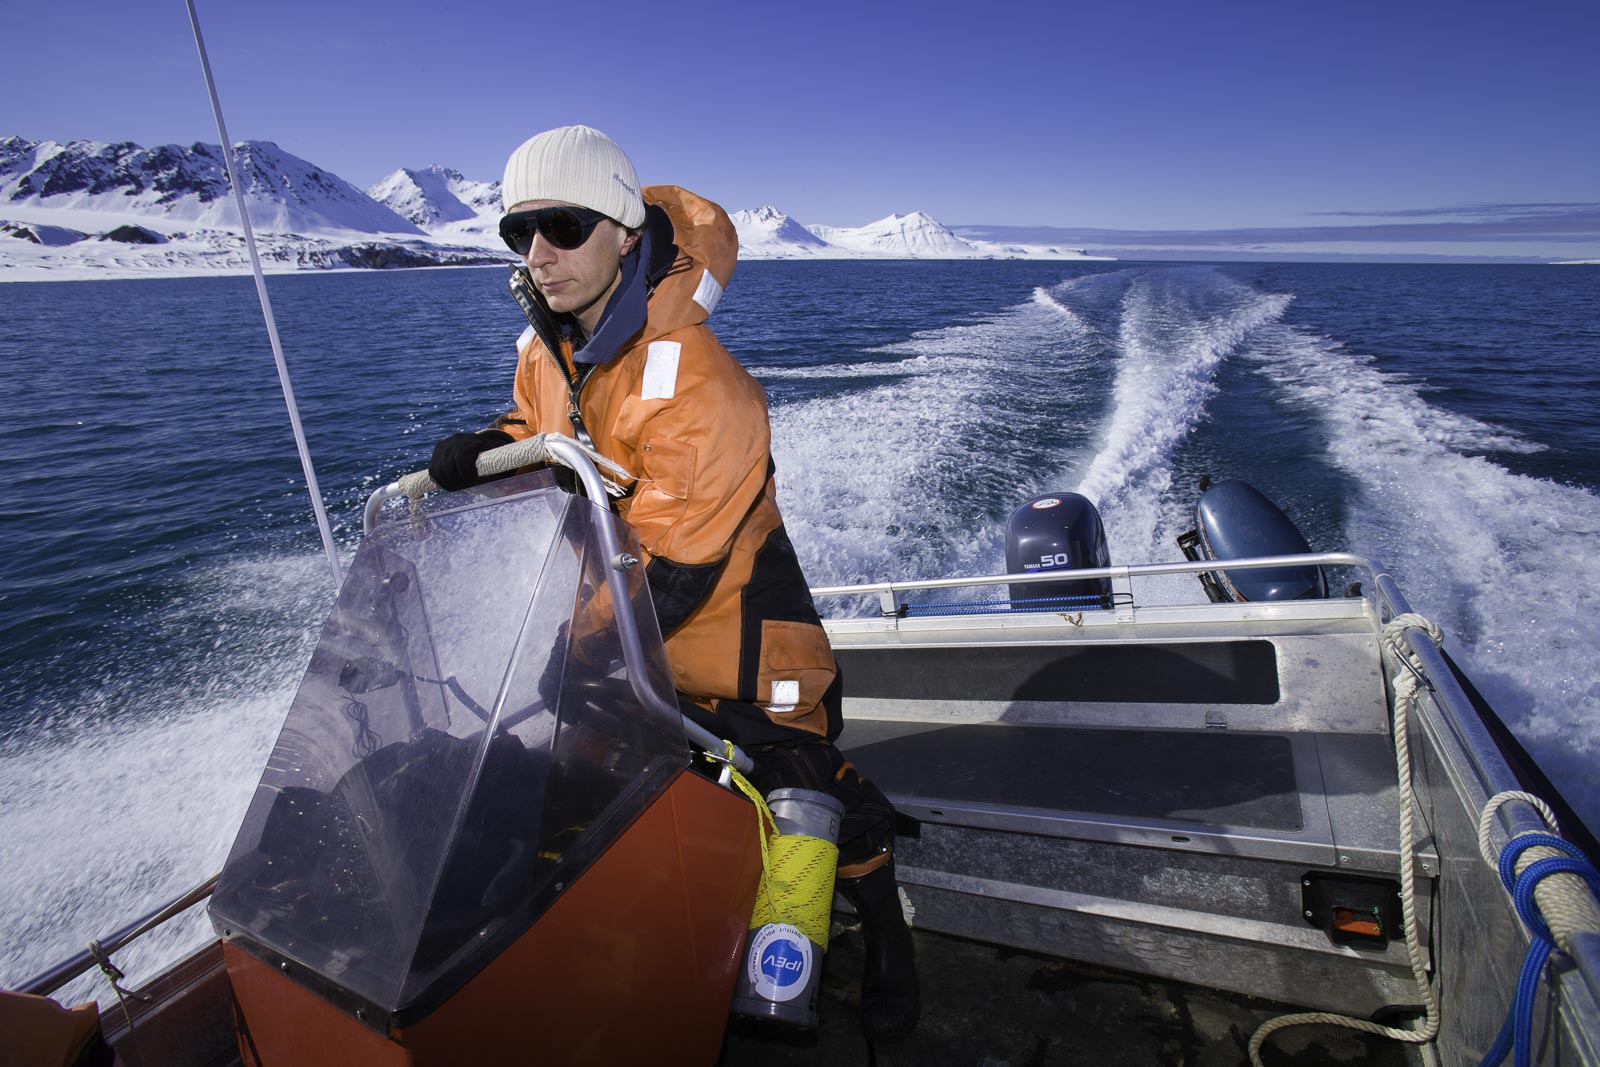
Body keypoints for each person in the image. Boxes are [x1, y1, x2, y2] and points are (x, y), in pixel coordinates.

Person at [427, 125, 918, 1041]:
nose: (539, 255)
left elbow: (674, 570)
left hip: (745, 645)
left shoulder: (698, 381)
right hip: (626, 634)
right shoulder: (547, 350)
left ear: (621, 232)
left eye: (563, 226)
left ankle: (885, 947)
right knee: (555, 780)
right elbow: (543, 428)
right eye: (518, 233)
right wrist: (493, 449)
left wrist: (574, 659)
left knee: (804, 796)